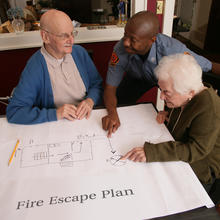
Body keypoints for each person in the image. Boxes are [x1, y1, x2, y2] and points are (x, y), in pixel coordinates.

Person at [102, 10, 220, 137]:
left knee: (175, 121)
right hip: (137, 77)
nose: (125, 42)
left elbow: (210, 66)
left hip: (167, 82)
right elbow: (110, 88)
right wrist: (112, 114)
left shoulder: (173, 50)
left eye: (133, 39)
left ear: (152, 40)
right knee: (117, 104)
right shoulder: (120, 49)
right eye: (125, 35)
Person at [121, 53, 220, 204]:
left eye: (166, 92)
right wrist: (169, 115)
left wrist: (152, 151)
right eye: (161, 89)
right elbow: (186, 117)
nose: (161, 97)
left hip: (201, 172)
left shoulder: (209, 107)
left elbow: (196, 149)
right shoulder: (185, 95)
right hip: (181, 158)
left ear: (190, 93)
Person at [6, 9, 103, 124]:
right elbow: (15, 111)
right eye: (64, 36)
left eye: (72, 33)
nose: (71, 41)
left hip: (86, 120)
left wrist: (90, 100)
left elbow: (97, 85)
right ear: (45, 37)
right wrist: (55, 113)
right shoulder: (35, 67)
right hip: (57, 125)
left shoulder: (80, 53)